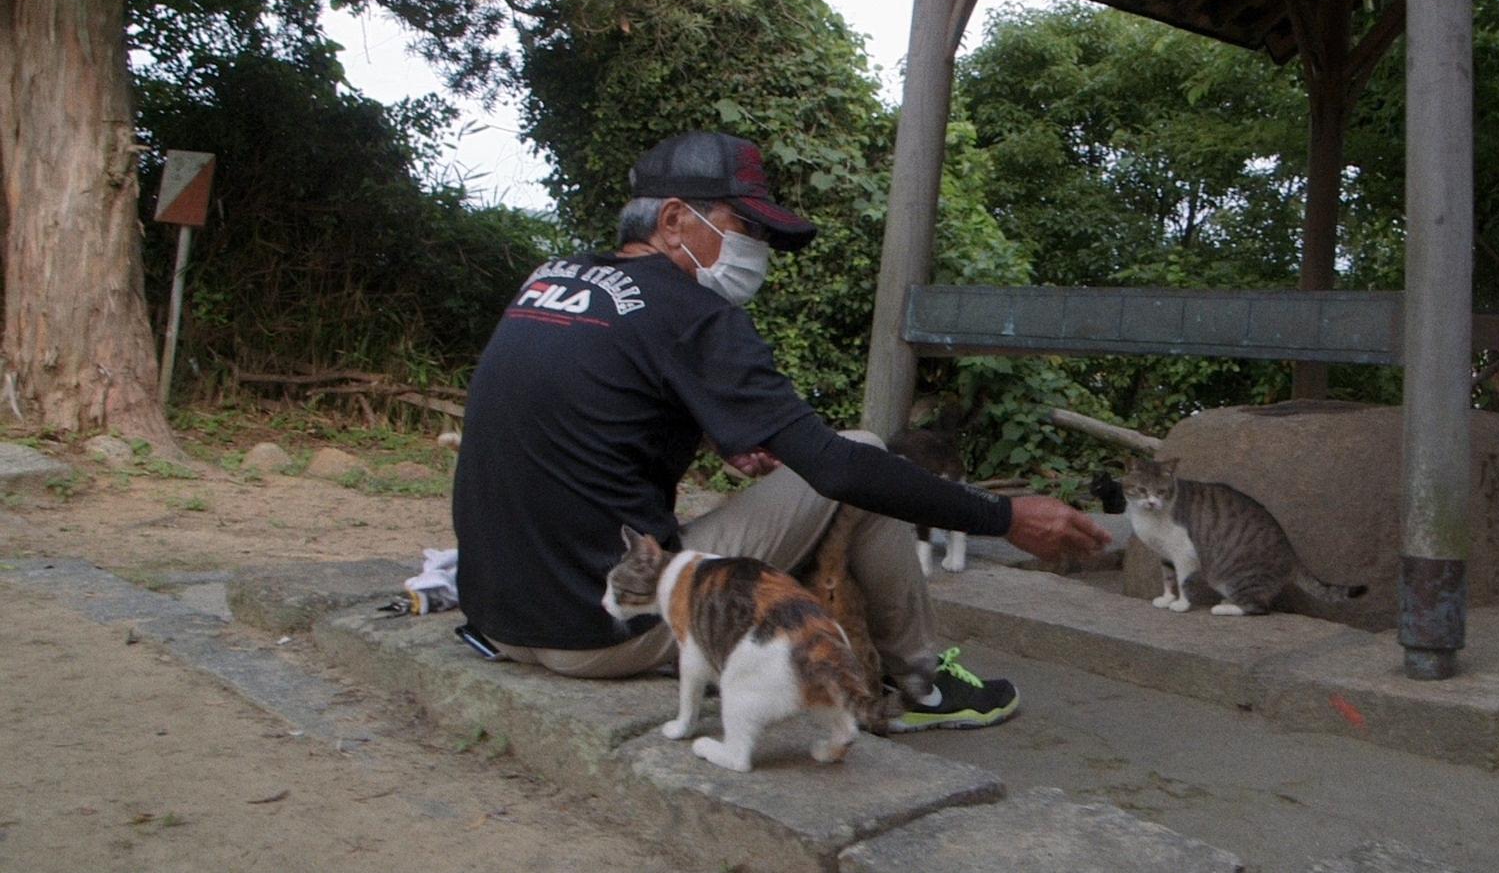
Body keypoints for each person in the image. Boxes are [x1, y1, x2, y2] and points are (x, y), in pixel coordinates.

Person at [451, 130, 1111, 731]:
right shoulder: (695, 313)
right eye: (745, 228)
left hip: (500, 619)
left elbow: (581, 407)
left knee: (838, 471)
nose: (757, 251)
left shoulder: (551, 280)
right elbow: (836, 469)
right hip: (605, 631)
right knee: (864, 455)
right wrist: (1003, 516)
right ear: (676, 220)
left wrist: (721, 435)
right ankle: (919, 683)